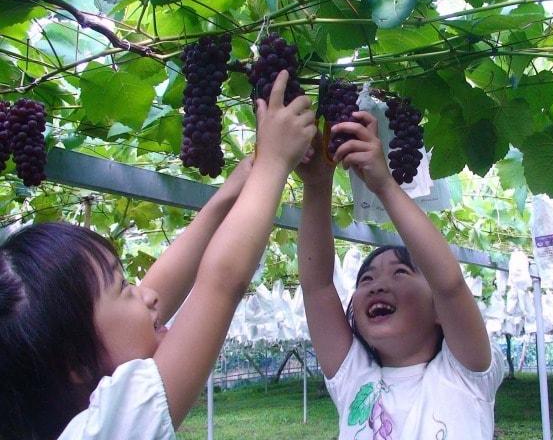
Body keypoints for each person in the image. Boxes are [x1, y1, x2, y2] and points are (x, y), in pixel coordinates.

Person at [0, 70, 316, 440]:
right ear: (74, 362)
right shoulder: (109, 431)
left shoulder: (67, 412)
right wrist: (274, 163)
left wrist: (226, 198)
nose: (147, 294)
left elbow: (143, 305)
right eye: (124, 288)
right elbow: (221, 283)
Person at [296, 110, 504, 439]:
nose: (377, 285)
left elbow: (448, 284)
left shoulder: (465, 373)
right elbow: (317, 287)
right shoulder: (354, 380)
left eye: (400, 273)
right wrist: (317, 185)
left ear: (438, 309)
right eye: (366, 280)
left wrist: (384, 186)